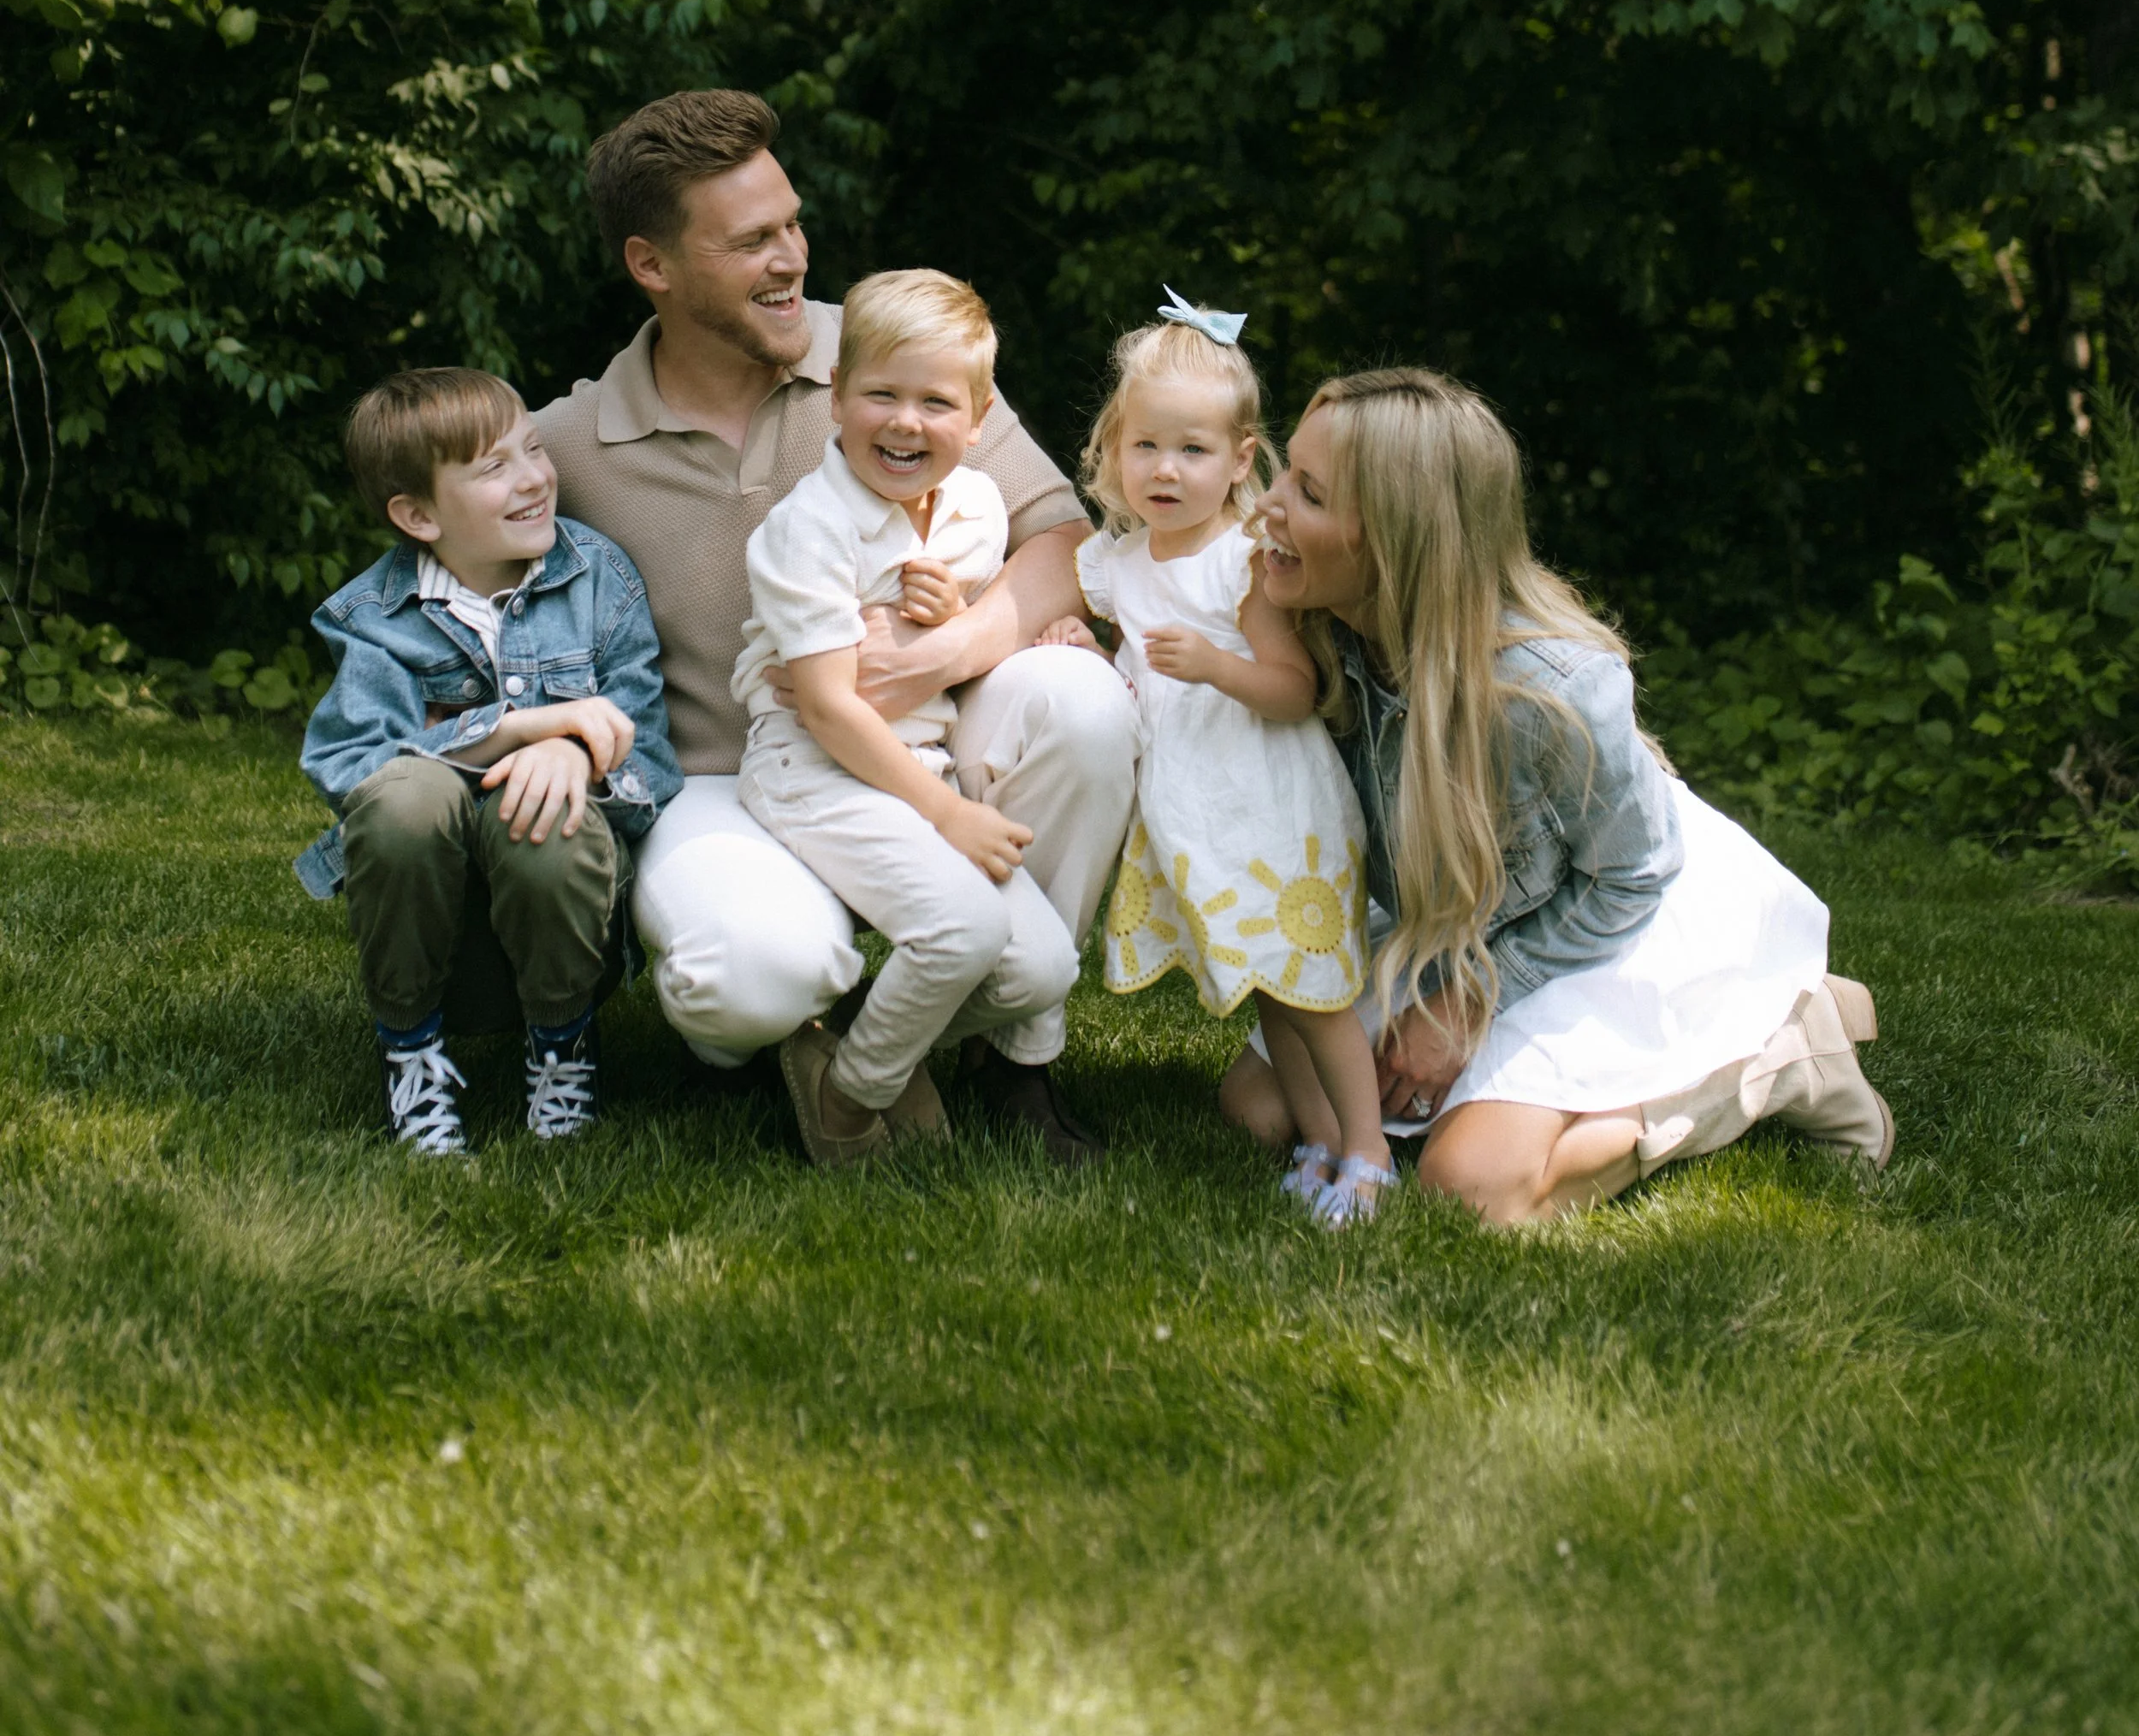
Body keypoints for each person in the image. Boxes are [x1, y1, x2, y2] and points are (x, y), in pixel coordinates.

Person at [533, 88, 1137, 1166]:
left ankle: (1016, 1068)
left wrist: (944, 652)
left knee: (1086, 705)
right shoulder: (569, 445)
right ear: (652, 266)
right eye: (751, 241)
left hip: (921, 746)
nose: (792, 258)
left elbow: (1064, 546)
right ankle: (794, 1035)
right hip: (727, 778)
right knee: (744, 984)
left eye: (792, 224)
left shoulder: (893, 364)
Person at [1227, 366, 1892, 1225]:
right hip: (1468, 912)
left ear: (1394, 539)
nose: (1268, 505)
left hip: (1615, 917)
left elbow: (1629, 876)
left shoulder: (1552, 690)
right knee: (1260, 1107)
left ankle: (1783, 1050)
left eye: (1307, 493)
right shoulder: (1314, 636)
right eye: (1285, 474)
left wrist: (1466, 1003)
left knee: (1472, 1189)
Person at [734, 270, 1081, 1165]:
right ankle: (848, 1103)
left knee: (1044, 968)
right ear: (837, 399)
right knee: (962, 931)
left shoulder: (974, 505)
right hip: (811, 766)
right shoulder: (805, 529)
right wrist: (950, 815)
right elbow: (824, 706)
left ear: (977, 421)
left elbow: (972, 623)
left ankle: (864, 1046)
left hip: (912, 762)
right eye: (880, 394)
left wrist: (958, 607)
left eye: (935, 402)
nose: (905, 422)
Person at [297, 370, 682, 1155]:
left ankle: (563, 1049)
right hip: (430, 923)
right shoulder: (377, 620)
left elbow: (653, 766)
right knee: (403, 795)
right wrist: (517, 727)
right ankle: (411, 1053)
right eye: (493, 468)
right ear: (418, 514)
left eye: (533, 449)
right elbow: (348, 764)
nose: (534, 478)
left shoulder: (597, 579)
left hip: (560, 912)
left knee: (545, 807)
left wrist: (577, 754)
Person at [1070, 299, 1394, 1227]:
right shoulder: (1118, 563)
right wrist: (1070, 634)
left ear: (1242, 459)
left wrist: (1215, 664)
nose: (1166, 471)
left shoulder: (1239, 563)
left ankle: (1367, 1147)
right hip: (1198, 812)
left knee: (1316, 991)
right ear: (1114, 449)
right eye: (1146, 448)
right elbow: (1098, 633)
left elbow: (1295, 689)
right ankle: (1317, 1137)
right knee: (1272, 988)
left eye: (1193, 451)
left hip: (1274, 805)